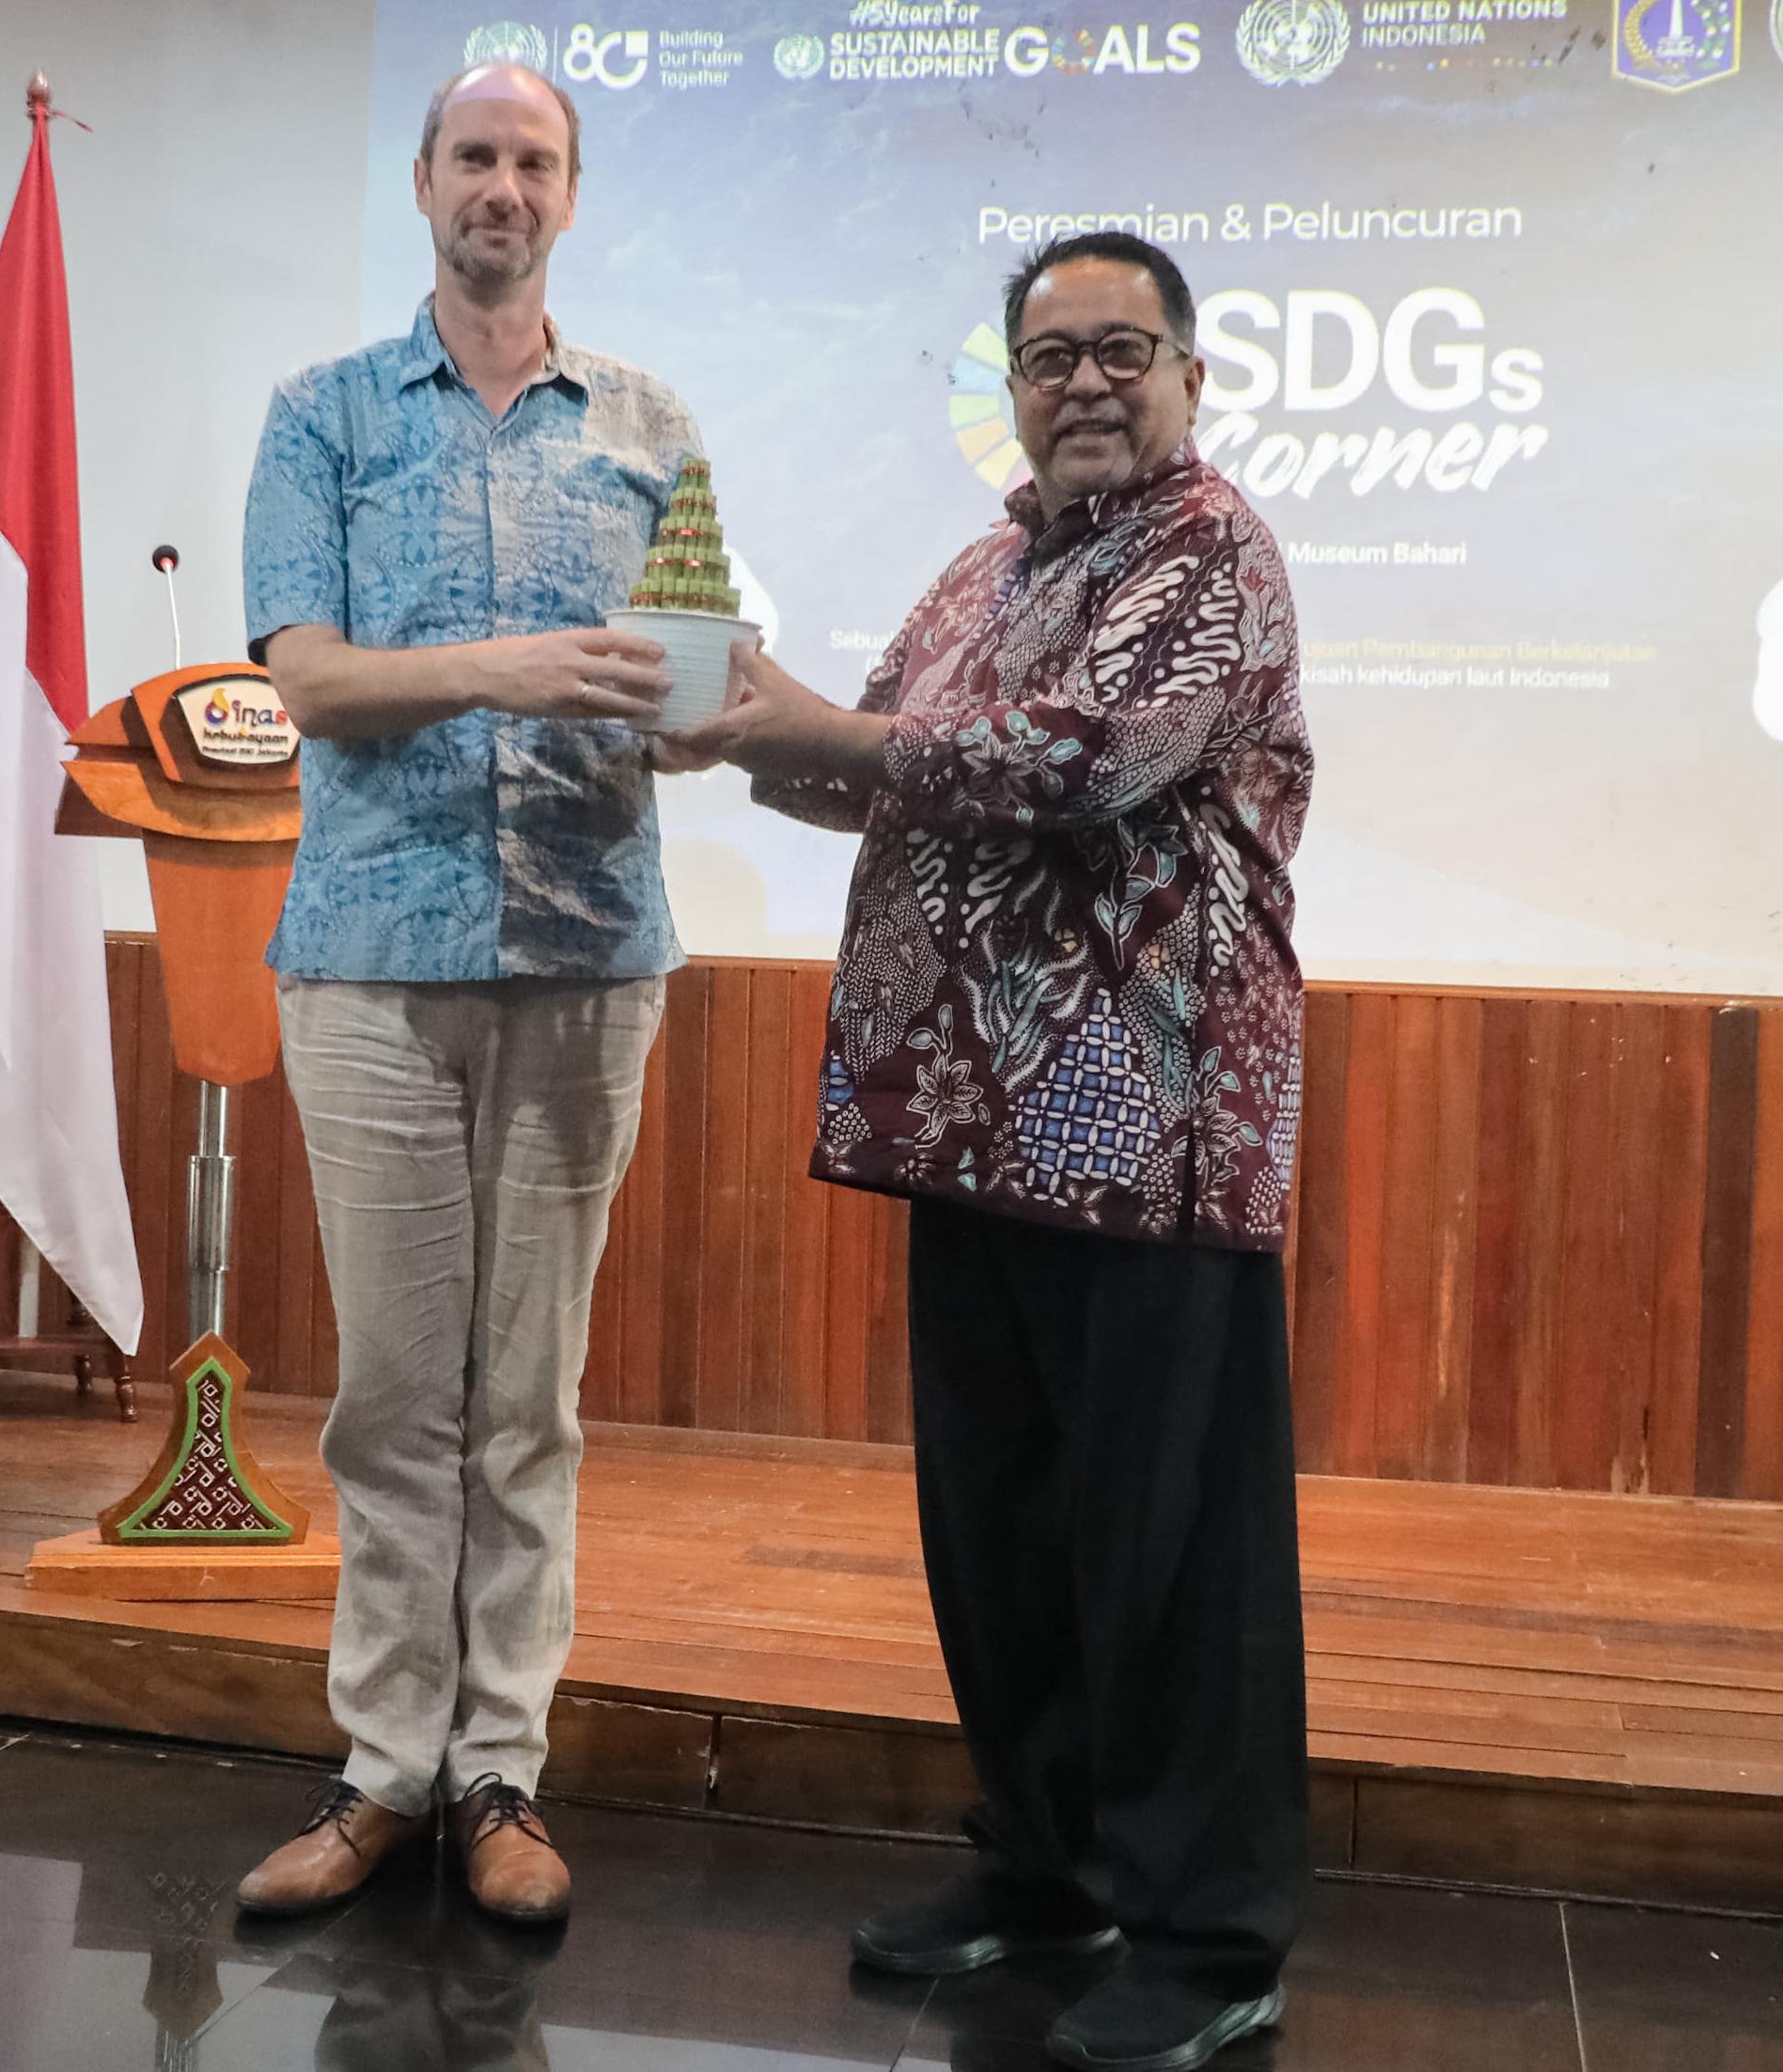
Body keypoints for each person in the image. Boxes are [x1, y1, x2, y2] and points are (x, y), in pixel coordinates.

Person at [702, 230, 1314, 2072]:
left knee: (1168, 1547)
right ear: (1012, 389)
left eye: (1124, 349)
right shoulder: (985, 565)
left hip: (1148, 1119)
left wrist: (823, 729)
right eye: (1052, 358)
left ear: (1191, 375)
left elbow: (1077, 758)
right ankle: (1046, 1864)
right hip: (967, 1120)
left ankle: (1206, 1935)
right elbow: (866, 756)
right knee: (1006, 1527)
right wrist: (720, 719)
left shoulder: (1212, 548)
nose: (1088, 384)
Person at [229, 59, 718, 1928]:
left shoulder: (654, 423)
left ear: (568, 196)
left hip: (589, 955)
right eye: (473, 156)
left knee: (527, 1393)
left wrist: (713, 712)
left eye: (533, 160)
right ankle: (382, 1766)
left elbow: (688, 692)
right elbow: (308, 680)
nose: (501, 186)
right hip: (371, 956)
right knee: (391, 1396)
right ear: (425, 181)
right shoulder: (323, 413)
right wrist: (512, 664)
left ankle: (498, 1766)